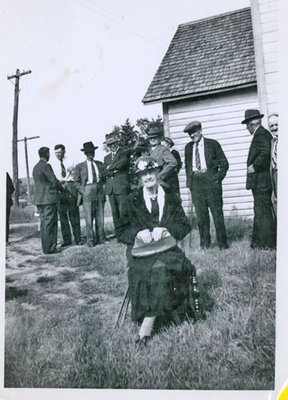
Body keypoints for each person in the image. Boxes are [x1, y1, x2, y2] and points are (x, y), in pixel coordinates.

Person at [117, 156, 201, 345]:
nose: (148, 177)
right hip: (141, 253)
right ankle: (156, 318)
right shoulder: (132, 200)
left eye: (151, 172)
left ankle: (147, 325)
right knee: (155, 271)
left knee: (164, 268)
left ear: (157, 173)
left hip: (167, 249)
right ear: (139, 177)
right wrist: (138, 233)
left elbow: (184, 225)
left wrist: (167, 229)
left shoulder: (171, 196)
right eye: (143, 174)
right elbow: (120, 231)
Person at [184, 121, 229, 249]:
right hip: (196, 185)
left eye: (194, 132)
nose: (192, 135)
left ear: (200, 130)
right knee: (201, 216)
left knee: (217, 214)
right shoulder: (188, 148)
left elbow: (224, 164)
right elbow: (188, 167)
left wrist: (217, 179)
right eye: (190, 134)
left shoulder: (213, 144)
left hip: (211, 183)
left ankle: (223, 244)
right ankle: (204, 244)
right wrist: (190, 183)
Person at [242, 109, 276, 249]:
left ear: (251, 123)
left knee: (263, 212)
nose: (246, 128)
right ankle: (260, 243)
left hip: (261, 181)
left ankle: (266, 244)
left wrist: (254, 166)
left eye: (247, 124)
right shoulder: (263, 133)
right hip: (262, 181)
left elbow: (265, 152)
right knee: (262, 211)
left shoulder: (261, 134)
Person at [74, 142, 106, 247]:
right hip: (87, 191)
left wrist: (102, 189)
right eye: (88, 152)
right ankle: (90, 240)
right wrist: (83, 191)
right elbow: (76, 182)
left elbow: (104, 179)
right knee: (88, 218)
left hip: (99, 190)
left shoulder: (100, 164)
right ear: (85, 153)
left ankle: (101, 238)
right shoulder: (80, 167)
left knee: (100, 217)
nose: (91, 154)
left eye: (92, 152)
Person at [32, 147, 63, 254]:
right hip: (49, 200)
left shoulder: (35, 167)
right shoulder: (46, 166)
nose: (50, 155)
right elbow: (53, 180)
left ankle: (46, 248)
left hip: (39, 200)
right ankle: (50, 248)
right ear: (46, 154)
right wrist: (62, 188)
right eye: (49, 153)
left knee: (44, 223)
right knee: (50, 223)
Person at [51, 144, 82, 246]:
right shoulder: (53, 163)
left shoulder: (71, 160)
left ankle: (78, 238)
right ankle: (67, 240)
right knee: (63, 215)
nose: (57, 155)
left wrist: (72, 170)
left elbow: (78, 173)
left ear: (64, 151)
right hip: (60, 188)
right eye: (56, 153)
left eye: (59, 152)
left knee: (73, 213)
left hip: (70, 186)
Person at [103, 132, 130, 240]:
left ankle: (127, 234)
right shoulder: (106, 157)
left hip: (122, 186)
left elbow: (122, 164)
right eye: (109, 145)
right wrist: (113, 169)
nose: (111, 146)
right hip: (111, 189)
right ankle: (119, 235)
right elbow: (104, 172)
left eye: (113, 144)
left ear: (117, 142)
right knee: (115, 213)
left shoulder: (124, 152)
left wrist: (110, 168)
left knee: (124, 211)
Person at [268, 113, 278, 218]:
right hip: (276, 177)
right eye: (271, 126)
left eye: (276, 124)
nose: (274, 128)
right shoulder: (273, 142)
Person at [6, 172, 14, 243]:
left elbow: (11, 188)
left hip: (5, 202)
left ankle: (5, 239)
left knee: (5, 221)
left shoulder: (4, 174)